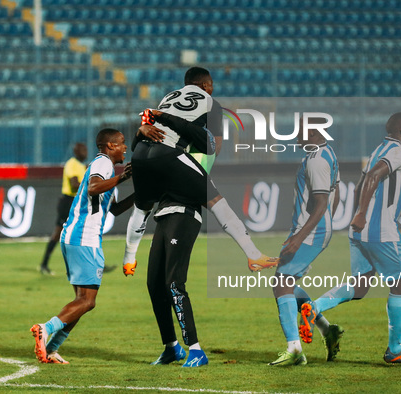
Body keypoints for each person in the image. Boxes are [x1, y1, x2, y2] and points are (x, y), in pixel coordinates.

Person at [122, 66, 277, 277]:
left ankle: (129, 260)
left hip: (140, 154)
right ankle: (254, 255)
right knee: (215, 200)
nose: (212, 89)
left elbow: (146, 125)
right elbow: (215, 146)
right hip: (168, 154)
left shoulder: (167, 97)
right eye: (211, 84)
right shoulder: (211, 102)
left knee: (141, 208)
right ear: (205, 85)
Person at [302, 112, 401, 365]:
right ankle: (395, 349)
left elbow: (359, 184)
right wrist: (361, 213)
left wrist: (358, 218)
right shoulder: (399, 151)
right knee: (400, 285)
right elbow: (372, 177)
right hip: (380, 231)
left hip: (361, 230)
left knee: (360, 287)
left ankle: (314, 308)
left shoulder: (379, 148)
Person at [30, 128, 133, 364]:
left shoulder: (105, 168)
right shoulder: (103, 163)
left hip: (77, 237)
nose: (125, 147)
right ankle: (45, 329)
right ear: (109, 146)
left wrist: (142, 196)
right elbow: (92, 188)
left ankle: (52, 348)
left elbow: (114, 209)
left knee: (82, 301)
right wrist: (123, 177)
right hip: (84, 237)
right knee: (87, 301)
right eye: (121, 143)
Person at [268, 121, 343, 366]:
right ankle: (326, 329)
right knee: (284, 283)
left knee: (282, 284)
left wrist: (299, 237)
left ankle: (295, 349)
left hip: (310, 232)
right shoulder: (327, 153)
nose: (294, 136)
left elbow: (321, 203)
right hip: (317, 230)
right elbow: (336, 193)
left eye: (298, 131)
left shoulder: (316, 160)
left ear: (313, 132)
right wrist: (327, 223)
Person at [147, 195, 208, 367]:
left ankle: (196, 350)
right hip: (163, 214)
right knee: (154, 284)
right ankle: (172, 347)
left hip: (184, 212)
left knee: (174, 283)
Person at [39, 143, 87, 276]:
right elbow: (73, 185)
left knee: (83, 233)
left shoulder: (82, 166)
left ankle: (89, 264)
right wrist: (91, 186)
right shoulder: (72, 164)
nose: (85, 152)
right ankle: (44, 264)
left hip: (77, 202)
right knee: (58, 233)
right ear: (76, 151)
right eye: (82, 150)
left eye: (86, 149)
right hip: (68, 202)